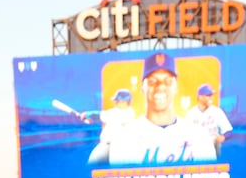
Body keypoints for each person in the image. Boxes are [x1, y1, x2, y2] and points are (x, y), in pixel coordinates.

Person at [88, 52, 217, 166]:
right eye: (152, 81)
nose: (160, 87)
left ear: (176, 87)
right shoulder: (124, 138)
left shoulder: (199, 136)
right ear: (142, 88)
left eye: (167, 81)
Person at [184, 82, 234, 155]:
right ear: (200, 97)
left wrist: (222, 137)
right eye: (208, 95)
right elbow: (184, 136)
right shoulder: (191, 114)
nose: (211, 98)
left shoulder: (217, 112)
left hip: (213, 150)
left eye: (212, 95)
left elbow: (229, 131)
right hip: (196, 152)